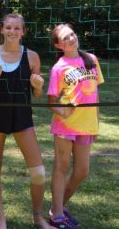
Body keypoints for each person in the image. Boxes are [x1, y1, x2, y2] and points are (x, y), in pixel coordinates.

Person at [0, 13, 53, 229]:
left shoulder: (32, 57)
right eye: (8, 28)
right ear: (1, 29)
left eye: (17, 28)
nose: (12, 32)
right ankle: (0, 219)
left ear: (23, 31)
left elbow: (37, 95)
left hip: (22, 116)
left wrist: (38, 86)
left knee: (38, 172)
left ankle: (38, 216)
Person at [47, 24, 104, 229]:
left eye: (72, 34)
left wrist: (95, 124)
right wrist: (64, 112)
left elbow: (95, 96)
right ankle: (57, 217)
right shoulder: (58, 67)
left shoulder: (91, 60)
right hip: (65, 125)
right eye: (65, 37)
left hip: (86, 126)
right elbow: (52, 102)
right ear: (58, 45)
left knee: (82, 171)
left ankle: (58, 208)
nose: (71, 38)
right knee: (61, 168)